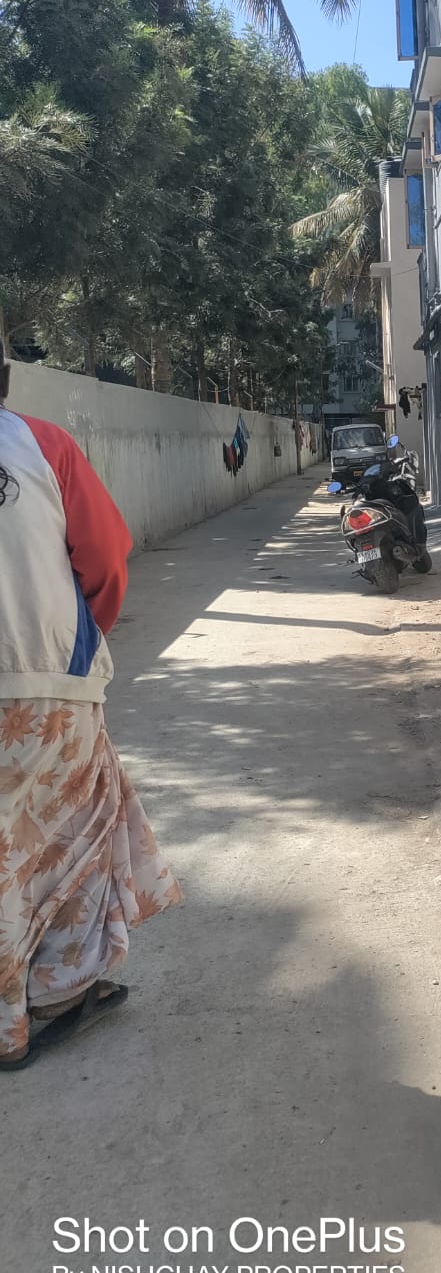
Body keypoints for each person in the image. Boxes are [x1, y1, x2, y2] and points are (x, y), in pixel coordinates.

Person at [0, 345, 181, 1069]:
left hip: (44, 681)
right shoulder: (41, 445)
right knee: (68, 839)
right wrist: (81, 645)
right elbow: (104, 558)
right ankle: (53, 996)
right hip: (44, 690)